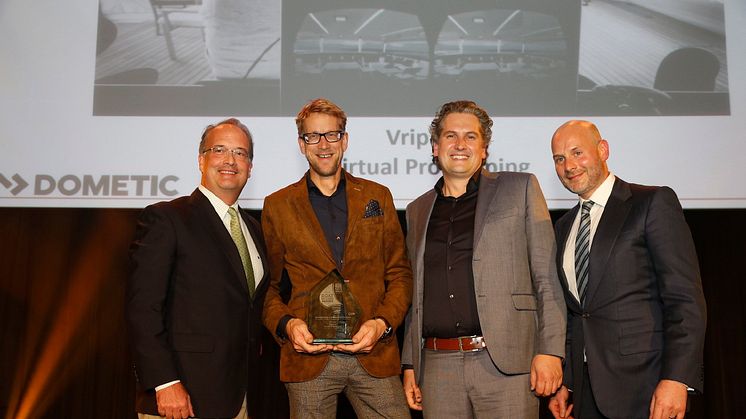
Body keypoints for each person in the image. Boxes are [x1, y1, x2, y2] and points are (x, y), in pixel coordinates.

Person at [400, 100, 566, 418]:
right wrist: (410, 362)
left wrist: (551, 351)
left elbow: (546, 278)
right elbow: (416, 296)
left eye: (471, 136)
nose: (460, 145)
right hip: (437, 368)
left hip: (507, 363)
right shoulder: (417, 210)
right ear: (436, 147)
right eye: (450, 136)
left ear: (485, 148)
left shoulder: (520, 188)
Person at [261, 98, 413, 418]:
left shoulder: (378, 195)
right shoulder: (277, 205)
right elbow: (268, 289)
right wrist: (288, 326)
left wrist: (382, 325)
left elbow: (399, 274)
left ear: (344, 140)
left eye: (331, 135)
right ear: (302, 145)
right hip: (309, 358)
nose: (323, 144)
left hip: (374, 352)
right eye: (313, 136)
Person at [127, 118, 286, 419]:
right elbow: (143, 309)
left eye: (240, 153)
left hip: (242, 398)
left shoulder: (255, 230)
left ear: (250, 167)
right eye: (219, 150)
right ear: (201, 159)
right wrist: (164, 382)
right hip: (182, 398)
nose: (230, 160)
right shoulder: (167, 219)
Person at [548, 120, 707, 419]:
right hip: (585, 394)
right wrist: (567, 382)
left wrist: (677, 379)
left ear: (603, 150)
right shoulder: (563, 226)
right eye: (559, 158)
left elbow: (684, 299)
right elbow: (575, 313)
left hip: (646, 389)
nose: (569, 165)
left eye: (577, 152)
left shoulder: (651, 203)